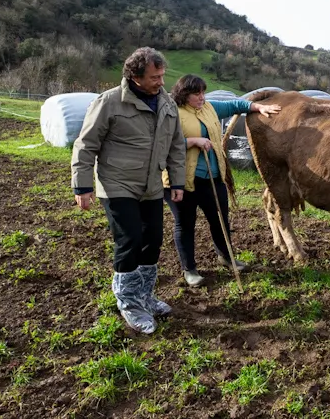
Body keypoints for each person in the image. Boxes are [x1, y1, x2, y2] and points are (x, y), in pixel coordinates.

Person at [71, 47, 186, 334]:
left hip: (151, 185)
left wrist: (178, 181)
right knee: (130, 239)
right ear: (134, 77)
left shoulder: (168, 104)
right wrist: (82, 185)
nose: (160, 81)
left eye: (162, 75)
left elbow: (176, 146)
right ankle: (129, 302)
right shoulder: (109, 102)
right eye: (154, 77)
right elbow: (86, 144)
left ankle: (145, 296)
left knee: (153, 240)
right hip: (116, 183)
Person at [164, 74, 281, 287]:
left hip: (213, 176)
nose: (201, 97)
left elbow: (235, 105)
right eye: (196, 94)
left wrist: (256, 107)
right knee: (185, 224)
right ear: (184, 94)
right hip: (182, 180)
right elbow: (161, 144)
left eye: (202, 92)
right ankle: (189, 269)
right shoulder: (172, 113)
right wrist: (191, 141)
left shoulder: (209, 107)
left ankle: (226, 257)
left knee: (219, 219)